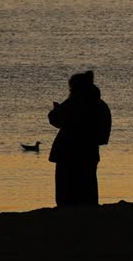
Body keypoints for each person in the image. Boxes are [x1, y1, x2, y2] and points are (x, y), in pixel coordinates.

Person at [48, 70, 112, 206]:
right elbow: (102, 134)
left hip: (68, 151)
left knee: (66, 190)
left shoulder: (75, 102)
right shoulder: (100, 104)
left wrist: (56, 111)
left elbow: (57, 120)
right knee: (88, 187)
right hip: (89, 151)